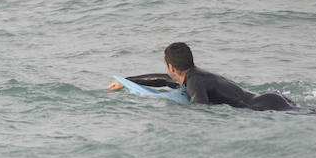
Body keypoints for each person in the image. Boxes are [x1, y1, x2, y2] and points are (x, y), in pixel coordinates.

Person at [107, 41, 296, 111]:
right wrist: (125, 82)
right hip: (268, 98)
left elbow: (202, 109)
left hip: (264, 106)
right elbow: (161, 79)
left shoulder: (194, 83)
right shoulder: (193, 75)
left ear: (171, 66)